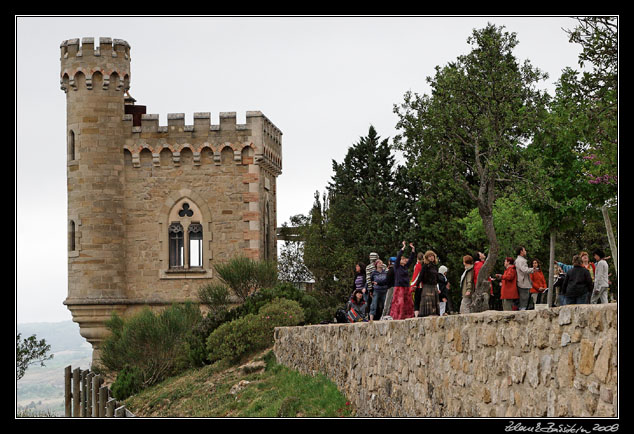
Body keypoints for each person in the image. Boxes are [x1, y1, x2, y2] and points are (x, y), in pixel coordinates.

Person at [389, 241, 417, 320]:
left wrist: (413, 250)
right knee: (400, 303)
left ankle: (408, 316)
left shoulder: (405, 267)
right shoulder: (397, 266)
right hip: (399, 287)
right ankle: (398, 316)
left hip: (406, 286)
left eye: (405, 259)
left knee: (408, 303)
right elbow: (398, 258)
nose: (405, 260)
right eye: (403, 259)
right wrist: (403, 248)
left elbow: (411, 260)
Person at [414, 250, 441, 317]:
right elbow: (420, 276)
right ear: (426, 258)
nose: (431, 257)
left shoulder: (435, 266)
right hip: (427, 286)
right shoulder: (425, 266)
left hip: (434, 286)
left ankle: (434, 314)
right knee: (428, 302)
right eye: (429, 256)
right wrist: (416, 285)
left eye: (432, 256)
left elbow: (437, 278)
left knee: (434, 302)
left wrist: (438, 287)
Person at [515, 246, 535, 310]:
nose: (525, 251)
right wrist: (533, 269)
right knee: (524, 300)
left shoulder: (519, 260)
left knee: (525, 300)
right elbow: (524, 270)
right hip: (523, 283)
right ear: (521, 251)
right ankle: (522, 313)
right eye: (524, 250)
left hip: (523, 282)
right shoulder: (521, 260)